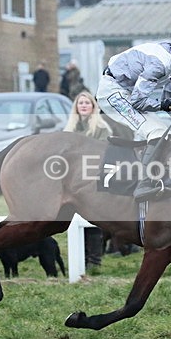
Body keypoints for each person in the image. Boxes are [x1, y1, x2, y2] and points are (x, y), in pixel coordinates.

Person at [96, 15, 171, 202]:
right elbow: (139, 102)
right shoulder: (161, 63)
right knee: (157, 131)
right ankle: (144, 184)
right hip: (113, 93)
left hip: (129, 92)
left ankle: (170, 176)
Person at [63, 92, 111, 268]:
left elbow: (103, 153)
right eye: (80, 103)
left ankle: (94, 261)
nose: (83, 106)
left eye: (87, 103)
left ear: (93, 107)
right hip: (71, 182)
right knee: (73, 220)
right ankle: (80, 259)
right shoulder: (69, 130)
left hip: (92, 179)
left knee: (92, 221)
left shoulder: (102, 128)